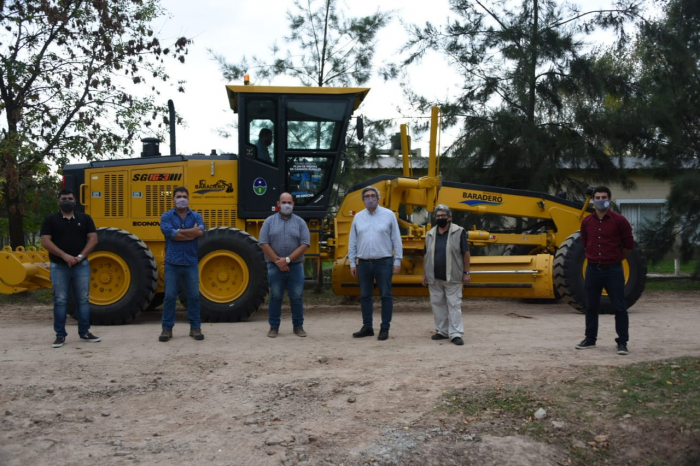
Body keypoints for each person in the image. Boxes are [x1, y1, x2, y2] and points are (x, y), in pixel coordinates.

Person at [576, 186, 634, 355]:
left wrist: (616, 259)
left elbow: (628, 245)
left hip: (613, 270)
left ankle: (622, 342)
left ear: (609, 199)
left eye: (604, 197)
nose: (601, 200)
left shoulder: (620, 221)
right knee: (591, 307)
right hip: (593, 270)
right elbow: (585, 242)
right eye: (598, 197)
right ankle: (590, 339)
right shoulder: (586, 222)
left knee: (619, 307)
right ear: (593, 200)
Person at [40, 189, 99, 348]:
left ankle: (85, 332)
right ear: (59, 201)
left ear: (75, 201)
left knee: (83, 300)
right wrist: (64, 256)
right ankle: (60, 335)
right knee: (60, 301)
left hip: (81, 266)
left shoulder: (85, 218)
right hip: (58, 266)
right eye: (64, 198)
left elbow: (93, 239)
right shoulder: (50, 220)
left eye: (70, 198)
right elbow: (45, 241)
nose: (67, 200)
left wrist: (80, 257)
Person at [348, 186, 403, 341]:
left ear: (378, 198)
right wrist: (353, 262)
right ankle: (367, 327)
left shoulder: (388, 215)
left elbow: (396, 239)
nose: (370, 199)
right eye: (367, 196)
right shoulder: (358, 217)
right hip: (364, 263)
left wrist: (397, 260)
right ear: (363, 200)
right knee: (365, 296)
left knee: (386, 295)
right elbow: (353, 241)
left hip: (384, 262)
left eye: (373, 196)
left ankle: (384, 328)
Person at [259, 192, 311, 338]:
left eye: (289, 202)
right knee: (275, 296)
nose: (286, 205)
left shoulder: (300, 222)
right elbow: (263, 242)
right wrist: (278, 261)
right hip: (274, 266)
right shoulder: (269, 221)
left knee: (297, 296)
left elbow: (305, 243)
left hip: (295, 266)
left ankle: (298, 326)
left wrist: (287, 260)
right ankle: (274, 327)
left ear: (293, 204)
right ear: (278, 204)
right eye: (284, 202)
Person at [159, 187, 205, 342]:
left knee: (193, 296)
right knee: (170, 297)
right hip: (172, 263)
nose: (182, 199)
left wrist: (179, 232)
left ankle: (195, 328)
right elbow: (170, 234)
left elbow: (200, 232)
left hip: (191, 262)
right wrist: (190, 233)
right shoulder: (166, 216)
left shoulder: (197, 216)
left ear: (189, 198)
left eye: (184, 196)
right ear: (173, 199)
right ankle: (166, 329)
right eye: (178, 196)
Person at [421, 205, 470, 346]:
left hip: (453, 276)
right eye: (438, 216)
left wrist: (466, 272)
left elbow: (465, 253)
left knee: (454, 305)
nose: (441, 218)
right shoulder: (430, 234)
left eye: (443, 216)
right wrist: (425, 274)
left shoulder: (458, 232)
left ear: (449, 217)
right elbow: (426, 255)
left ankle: (456, 334)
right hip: (434, 277)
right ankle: (442, 331)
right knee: (437, 304)